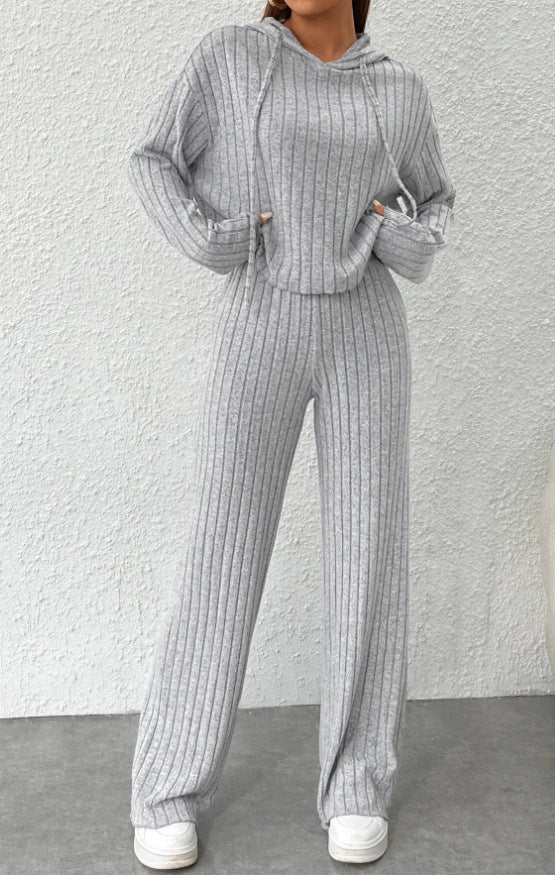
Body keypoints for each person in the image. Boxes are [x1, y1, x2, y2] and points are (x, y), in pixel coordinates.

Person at [127, 0, 456, 868]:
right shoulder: (232, 58)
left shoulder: (399, 89)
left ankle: (356, 783)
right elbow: (153, 158)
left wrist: (398, 233)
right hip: (258, 318)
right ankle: (167, 786)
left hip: (366, 331)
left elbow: (437, 200)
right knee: (221, 549)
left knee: (367, 551)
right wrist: (211, 239)